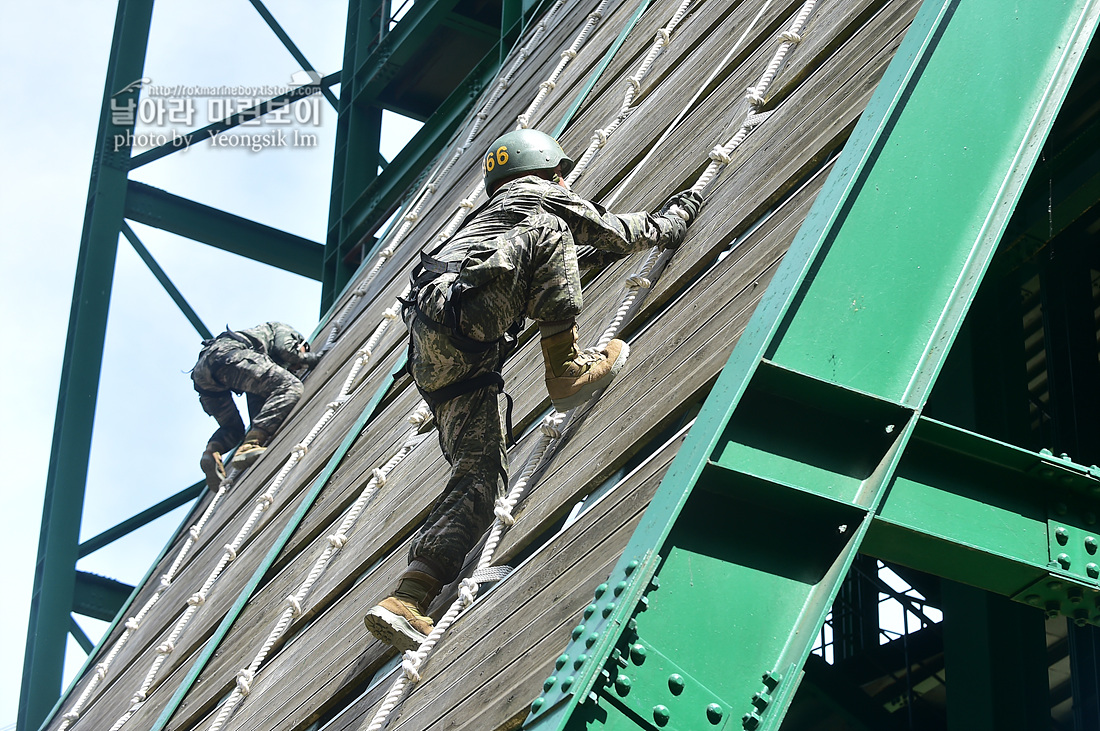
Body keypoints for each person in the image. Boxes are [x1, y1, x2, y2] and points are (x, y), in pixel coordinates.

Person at [363, 129, 702, 651]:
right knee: (556, 233)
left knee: (479, 476)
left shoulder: (485, 222)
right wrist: (672, 219)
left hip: (438, 354)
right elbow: (609, 233)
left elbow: (548, 277)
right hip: (469, 323)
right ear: (543, 168)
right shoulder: (533, 198)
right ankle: (565, 368)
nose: (565, 179)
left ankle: (411, 594)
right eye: (559, 171)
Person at [191, 322, 322, 489]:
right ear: (300, 343)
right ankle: (249, 446)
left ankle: (212, 452)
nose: (295, 368)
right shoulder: (282, 330)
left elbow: (260, 411)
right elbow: (287, 351)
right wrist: (310, 359)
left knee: (234, 429)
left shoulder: (260, 357)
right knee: (291, 387)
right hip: (229, 355)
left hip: (203, 376)